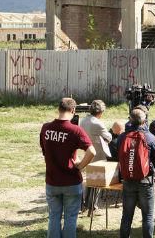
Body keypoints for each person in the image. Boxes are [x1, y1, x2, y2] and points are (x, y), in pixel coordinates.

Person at [40, 98, 95, 238]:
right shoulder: (75, 130)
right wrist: (80, 166)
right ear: (73, 110)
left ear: (59, 109)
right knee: (70, 217)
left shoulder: (46, 128)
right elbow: (92, 151)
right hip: (71, 181)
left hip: (52, 180)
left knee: (54, 216)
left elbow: (45, 151)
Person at [118, 108, 155, 238]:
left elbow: (117, 155)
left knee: (126, 216)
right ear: (144, 121)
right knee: (147, 216)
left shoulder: (122, 137)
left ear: (130, 120)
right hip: (146, 181)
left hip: (128, 181)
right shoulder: (150, 137)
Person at [79, 100, 113, 210]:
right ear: (100, 112)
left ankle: (86, 203)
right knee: (98, 180)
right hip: (98, 153)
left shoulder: (83, 120)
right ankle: (92, 204)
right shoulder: (97, 123)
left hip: (87, 151)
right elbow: (109, 137)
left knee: (89, 179)